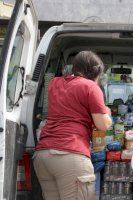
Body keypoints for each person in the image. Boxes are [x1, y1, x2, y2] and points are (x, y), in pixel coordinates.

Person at [34, 51, 112, 200]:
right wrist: (106, 112)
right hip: (70, 155)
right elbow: (102, 125)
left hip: (43, 155)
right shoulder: (90, 86)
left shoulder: (54, 83)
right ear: (96, 73)